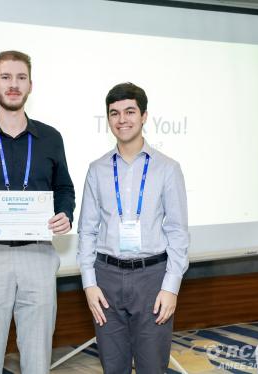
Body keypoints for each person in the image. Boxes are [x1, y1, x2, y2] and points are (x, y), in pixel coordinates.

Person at [0, 50, 75, 374]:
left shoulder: (50, 138)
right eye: (6, 77)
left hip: (38, 256)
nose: (13, 84)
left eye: (21, 77)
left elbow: (64, 188)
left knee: (37, 359)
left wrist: (64, 214)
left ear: (30, 85)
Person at [77, 82, 189, 373]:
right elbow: (87, 230)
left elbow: (178, 231)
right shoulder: (97, 169)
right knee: (113, 366)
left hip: (152, 278)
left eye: (129, 111)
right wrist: (89, 283)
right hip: (106, 278)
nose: (122, 119)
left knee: (153, 366)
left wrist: (171, 287)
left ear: (144, 116)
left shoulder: (167, 168)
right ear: (108, 119)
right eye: (114, 113)